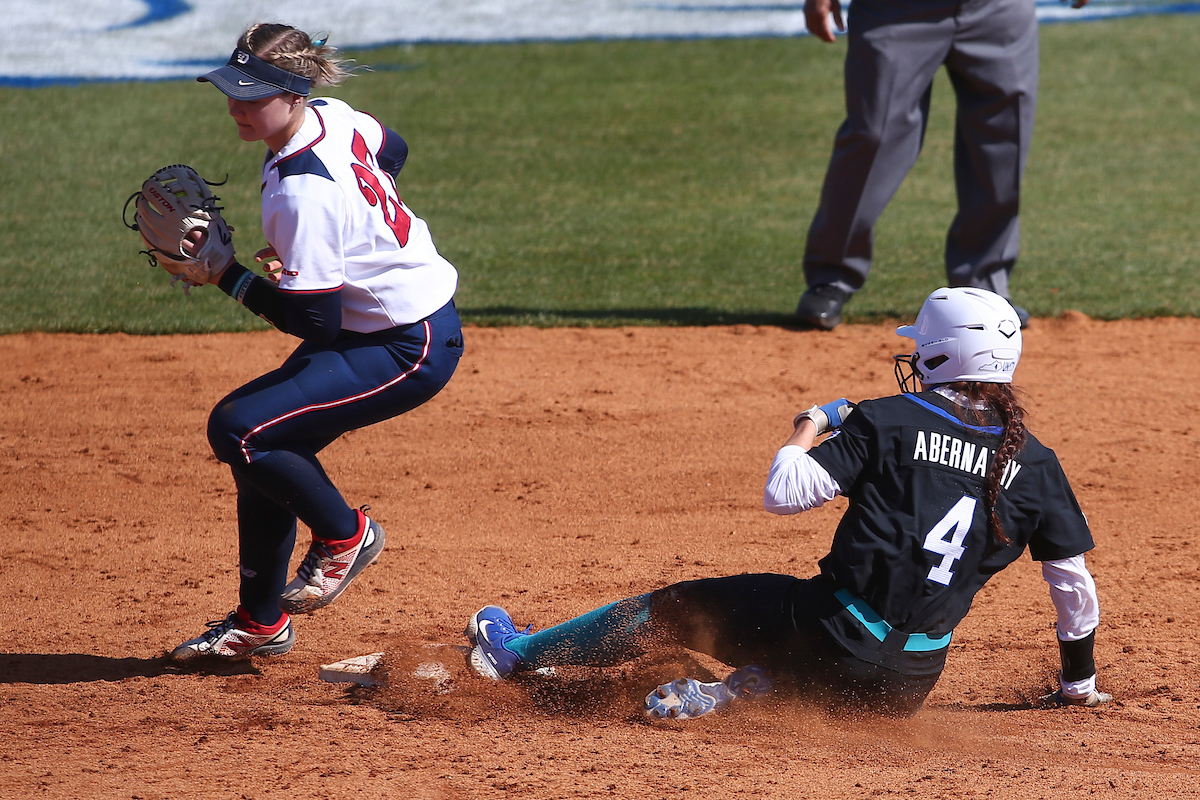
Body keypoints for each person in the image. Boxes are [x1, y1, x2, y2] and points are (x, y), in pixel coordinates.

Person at [464, 287, 1107, 719]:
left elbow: (784, 493)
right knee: (845, 655)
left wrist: (812, 422)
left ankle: (513, 654)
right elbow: (1072, 583)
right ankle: (755, 689)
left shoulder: (889, 420)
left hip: (828, 635)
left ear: (941, 354)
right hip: (906, 687)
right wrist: (1077, 683)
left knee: (677, 607)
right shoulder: (1037, 462)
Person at [169, 23, 463, 661]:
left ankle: (344, 535)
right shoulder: (333, 114)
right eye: (231, 90)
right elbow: (393, 149)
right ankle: (260, 623)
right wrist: (345, 241)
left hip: (406, 345)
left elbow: (315, 323)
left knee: (239, 430)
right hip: (379, 324)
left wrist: (226, 275)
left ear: (293, 92)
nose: (236, 106)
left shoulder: (303, 193)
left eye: (251, 94)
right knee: (264, 446)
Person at [794, 0, 1090, 331]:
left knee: (1005, 142)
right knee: (874, 136)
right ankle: (830, 277)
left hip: (998, 8)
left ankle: (984, 288)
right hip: (895, 10)